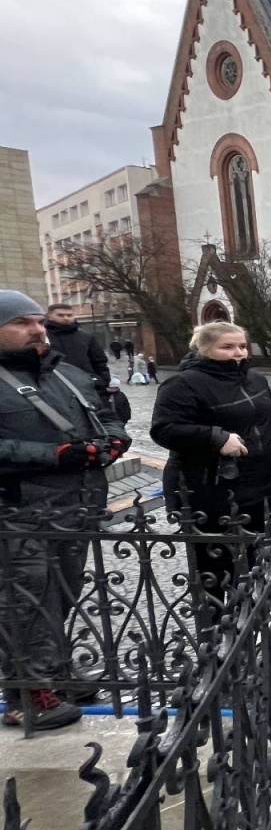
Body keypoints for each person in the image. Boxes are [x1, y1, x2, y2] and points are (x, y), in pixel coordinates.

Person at [0, 291, 130, 730]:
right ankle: (25, 691)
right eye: (22, 323)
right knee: (24, 600)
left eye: (39, 322)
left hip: (75, 505)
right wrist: (53, 454)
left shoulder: (65, 372)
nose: (37, 330)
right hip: (17, 510)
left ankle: (55, 670)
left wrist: (113, 441)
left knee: (65, 592)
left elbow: (107, 412)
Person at [151, 321, 271, 604]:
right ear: (203, 349)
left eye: (241, 346)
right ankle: (215, 632)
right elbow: (164, 430)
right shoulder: (183, 384)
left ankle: (249, 626)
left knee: (253, 563)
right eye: (226, 347)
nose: (237, 352)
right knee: (213, 569)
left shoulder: (255, 379)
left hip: (258, 486)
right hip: (209, 489)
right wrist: (215, 437)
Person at [43, 303, 110, 393]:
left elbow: (99, 362)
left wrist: (102, 381)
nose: (66, 318)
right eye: (60, 315)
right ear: (49, 316)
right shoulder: (42, 337)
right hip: (54, 387)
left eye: (69, 315)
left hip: (87, 385)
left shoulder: (86, 337)